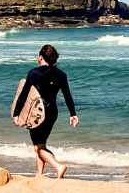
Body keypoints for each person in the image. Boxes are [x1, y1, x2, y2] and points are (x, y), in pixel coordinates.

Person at [12, 45, 79, 178]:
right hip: (52, 112)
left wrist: (16, 113)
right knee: (41, 144)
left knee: (38, 147)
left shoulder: (34, 73)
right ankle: (39, 174)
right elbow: (67, 96)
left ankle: (58, 166)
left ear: (41, 57)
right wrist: (73, 114)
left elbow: (24, 94)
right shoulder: (61, 74)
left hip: (37, 113)